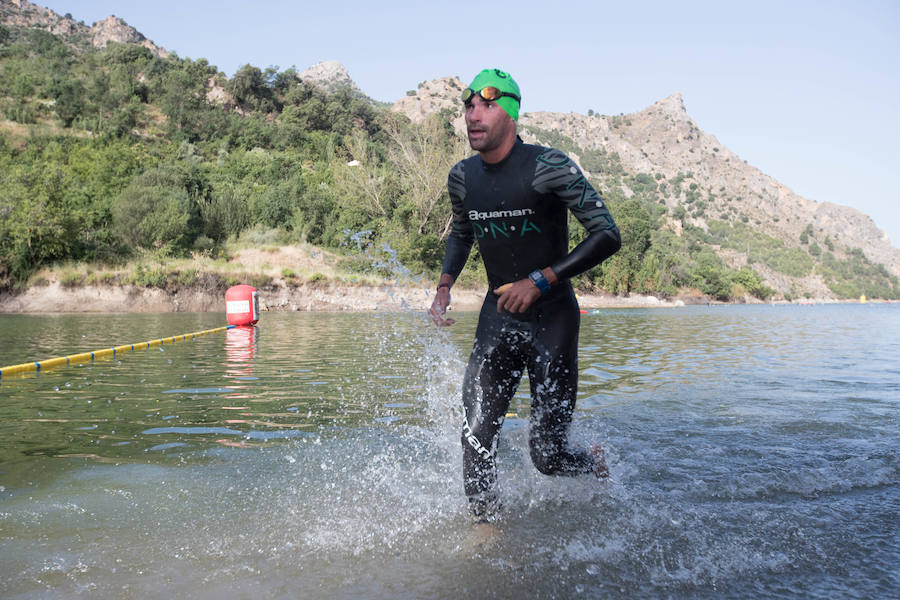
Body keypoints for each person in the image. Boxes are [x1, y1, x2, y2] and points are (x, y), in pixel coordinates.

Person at [429, 68, 622, 522]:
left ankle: (591, 464)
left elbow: (607, 234)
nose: (473, 115)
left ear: (512, 112)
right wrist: (444, 285)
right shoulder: (462, 177)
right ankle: (489, 535)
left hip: (551, 321)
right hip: (497, 320)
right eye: (468, 106)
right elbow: (462, 231)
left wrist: (540, 280)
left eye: (487, 105)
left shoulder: (549, 166)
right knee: (474, 436)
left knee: (547, 457)